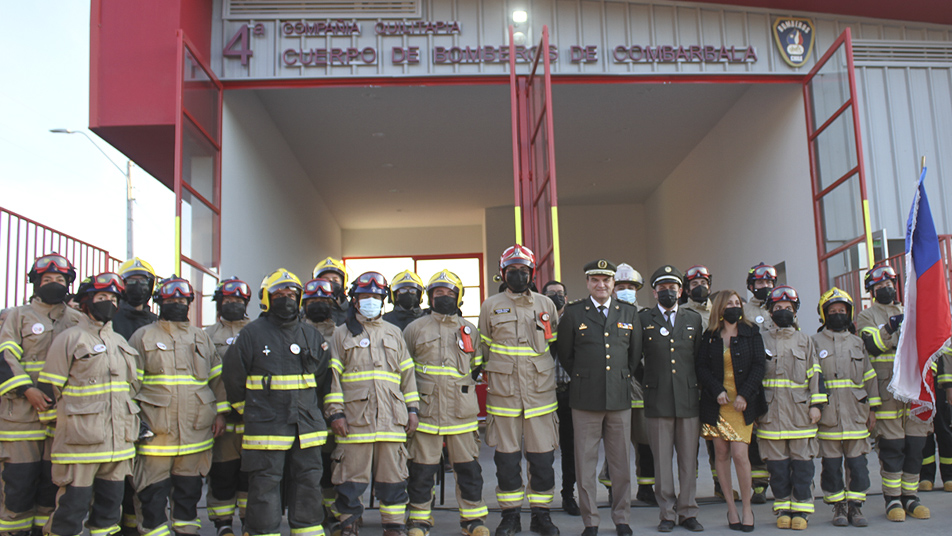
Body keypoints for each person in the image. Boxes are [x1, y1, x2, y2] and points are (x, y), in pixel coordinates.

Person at [222, 269, 330, 536]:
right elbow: (233, 378)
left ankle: (308, 531)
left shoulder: (312, 335)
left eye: (291, 294)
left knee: (308, 482)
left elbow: (322, 377)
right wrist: (249, 411)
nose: (286, 299)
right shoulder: (250, 335)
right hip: (265, 429)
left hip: (306, 429)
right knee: (264, 486)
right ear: (267, 299)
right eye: (279, 294)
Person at [37, 273, 140, 536]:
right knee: (71, 511)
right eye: (102, 297)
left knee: (108, 513)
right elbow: (48, 391)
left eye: (113, 298)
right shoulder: (70, 338)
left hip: (118, 447)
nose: (108, 302)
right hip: (79, 447)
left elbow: (130, 391)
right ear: (87, 301)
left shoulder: (120, 343)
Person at [129, 276, 228, 536]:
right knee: (151, 496)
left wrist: (221, 413)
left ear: (190, 303)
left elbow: (217, 379)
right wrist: (134, 422)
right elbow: (129, 385)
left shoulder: (201, 337)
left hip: (196, 434)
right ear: (160, 302)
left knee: (189, 495)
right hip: (156, 435)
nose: (177, 303)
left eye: (182, 300)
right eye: (171, 299)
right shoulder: (142, 336)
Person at [325, 272, 420, 536]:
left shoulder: (394, 333)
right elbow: (333, 378)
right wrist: (336, 414)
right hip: (355, 420)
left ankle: (393, 525)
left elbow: (407, 376)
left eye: (376, 297)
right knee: (349, 479)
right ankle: (348, 523)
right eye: (365, 297)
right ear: (354, 301)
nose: (370, 302)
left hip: (392, 419)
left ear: (384, 300)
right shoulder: (340, 334)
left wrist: (412, 410)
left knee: (393, 478)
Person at [0, 253, 84, 536]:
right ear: (35, 283)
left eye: (59, 279)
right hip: (20, 418)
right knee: (18, 487)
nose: (53, 283)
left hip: (61, 419)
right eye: (47, 279)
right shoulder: (16, 316)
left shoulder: (78, 320)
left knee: (52, 487)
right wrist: (27, 390)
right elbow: (5, 355)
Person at [478, 245, 560, 536]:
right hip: (504, 396)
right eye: (512, 270)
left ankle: (542, 516)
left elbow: (552, 343)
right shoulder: (490, 305)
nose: (518, 275)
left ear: (532, 273)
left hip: (540, 395)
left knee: (543, 460)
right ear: (502, 273)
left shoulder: (545, 304)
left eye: (523, 271)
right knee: (507, 461)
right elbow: (483, 348)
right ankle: (510, 516)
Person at [557, 259, 642, 536]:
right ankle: (590, 520)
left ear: (613, 283)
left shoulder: (628, 313)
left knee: (620, 465)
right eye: (595, 280)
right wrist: (588, 378)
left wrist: (615, 379)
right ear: (587, 283)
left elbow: (633, 356)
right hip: (585, 400)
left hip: (619, 399)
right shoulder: (573, 313)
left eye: (606, 280)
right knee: (585, 464)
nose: (601, 285)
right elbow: (567, 356)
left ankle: (621, 518)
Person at [403, 270, 488, 536]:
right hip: (426, 412)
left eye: (449, 293)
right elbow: (404, 370)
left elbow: (476, 366)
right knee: (421, 470)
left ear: (458, 296)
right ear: (429, 297)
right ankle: (419, 521)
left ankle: (472, 521)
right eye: (438, 293)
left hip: (461, 412)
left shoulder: (469, 329)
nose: (444, 297)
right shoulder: (415, 328)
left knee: (468, 469)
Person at [856, 264, 931, 521]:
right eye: (879, 287)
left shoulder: (909, 310)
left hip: (914, 393)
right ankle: (893, 499)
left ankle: (911, 497)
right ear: (871, 290)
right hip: (887, 394)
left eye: (888, 284)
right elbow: (872, 346)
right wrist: (889, 327)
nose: (885, 289)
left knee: (915, 446)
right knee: (892, 448)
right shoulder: (866, 316)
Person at [696, 290, 766, 532]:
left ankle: (747, 508)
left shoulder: (751, 332)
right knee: (721, 454)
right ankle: (731, 507)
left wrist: (745, 394)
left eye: (738, 303)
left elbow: (759, 365)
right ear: (720, 309)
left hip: (742, 405)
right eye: (729, 304)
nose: (735, 307)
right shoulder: (710, 336)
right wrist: (717, 390)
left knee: (739, 455)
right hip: (717, 404)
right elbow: (701, 367)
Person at [640, 265, 703, 533]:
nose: (668, 292)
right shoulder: (644, 319)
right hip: (658, 398)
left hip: (688, 399)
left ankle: (687, 511)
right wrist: (649, 380)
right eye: (663, 288)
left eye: (673, 288)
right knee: (662, 461)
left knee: (689, 459)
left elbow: (698, 358)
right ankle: (666, 512)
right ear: (655, 292)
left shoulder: (693, 319)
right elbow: (634, 359)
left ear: (681, 291)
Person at [757, 285, 826, 530]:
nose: (783, 311)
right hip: (770, 415)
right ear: (770, 312)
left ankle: (802, 509)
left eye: (788, 308)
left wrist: (816, 405)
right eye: (778, 308)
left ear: (795, 311)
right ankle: (783, 507)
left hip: (800, 414)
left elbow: (815, 375)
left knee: (802, 466)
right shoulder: (760, 339)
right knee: (777, 468)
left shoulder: (805, 341)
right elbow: (754, 377)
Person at [812, 288, 879, 528]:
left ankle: (856, 507)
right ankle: (838, 507)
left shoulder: (858, 342)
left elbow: (870, 378)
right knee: (831, 466)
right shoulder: (814, 342)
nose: (838, 315)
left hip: (856, 414)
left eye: (842, 311)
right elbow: (812, 379)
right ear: (824, 314)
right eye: (833, 311)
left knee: (858, 466)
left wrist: (872, 410)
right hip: (828, 415)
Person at [601, 264, 655, 506]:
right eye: (620, 287)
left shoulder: (648, 315)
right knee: (616, 445)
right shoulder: (606, 314)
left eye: (630, 287)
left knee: (646, 443)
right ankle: (614, 490)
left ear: (638, 289)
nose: (625, 291)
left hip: (645, 390)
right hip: (617, 391)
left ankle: (647, 488)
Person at [203, 278, 252, 536]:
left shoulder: (257, 331)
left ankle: (247, 521)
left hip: (251, 419)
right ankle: (223, 525)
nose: (233, 305)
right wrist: (218, 412)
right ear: (219, 303)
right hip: (221, 420)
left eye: (238, 301)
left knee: (248, 474)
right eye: (228, 301)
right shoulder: (206, 336)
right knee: (222, 472)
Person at [301, 277, 343, 533]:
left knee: (333, 463)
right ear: (304, 304)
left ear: (333, 303)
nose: (318, 305)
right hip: (305, 409)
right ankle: (311, 513)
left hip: (335, 410)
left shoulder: (342, 333)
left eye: (323, 300)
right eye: (313, 301)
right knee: (307, 465)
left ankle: (334, 513)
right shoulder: (295, 331)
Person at [541, 280, 579, 516]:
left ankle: (568, 495)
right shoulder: (536, 320)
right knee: (542, 451)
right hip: (544, 396)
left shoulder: (574, 321)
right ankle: (541, 500)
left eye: (560, 294)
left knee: (570, 449)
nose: (556, 297)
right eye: (551, 293)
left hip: (570, 394)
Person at [743, 262, 777, 504]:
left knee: (778, 433)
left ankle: (782, 480)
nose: (765, 287)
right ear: (751, 285)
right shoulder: (743, 310)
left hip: (781, 383)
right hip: (755, 381)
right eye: (760, 283)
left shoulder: (782, 307)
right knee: (754, 436)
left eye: (768, 282)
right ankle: (759, 484)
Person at [920, 357, 952, 492]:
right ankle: (926, 476)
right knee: (924, 431)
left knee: (945, 430)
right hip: (923, 383)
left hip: (941, 385)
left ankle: (949, 476)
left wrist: (949, 386)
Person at [112, 258, 159, 341]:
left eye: (143, 281)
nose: (138, 285)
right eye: (131, 281)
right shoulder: (111, 318)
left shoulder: (156, 322)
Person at [312, 258, 350, 326]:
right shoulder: (309, 310)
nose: (331, 284)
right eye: (325, 280)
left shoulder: (353, 310)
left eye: (335, 280)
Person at [682, 266, 713, 331]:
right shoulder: (679, 312)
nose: (700, 286)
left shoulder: (717, 310)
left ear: (709, 288)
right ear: (687, 290)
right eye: (695, 284)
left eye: (703, 283)